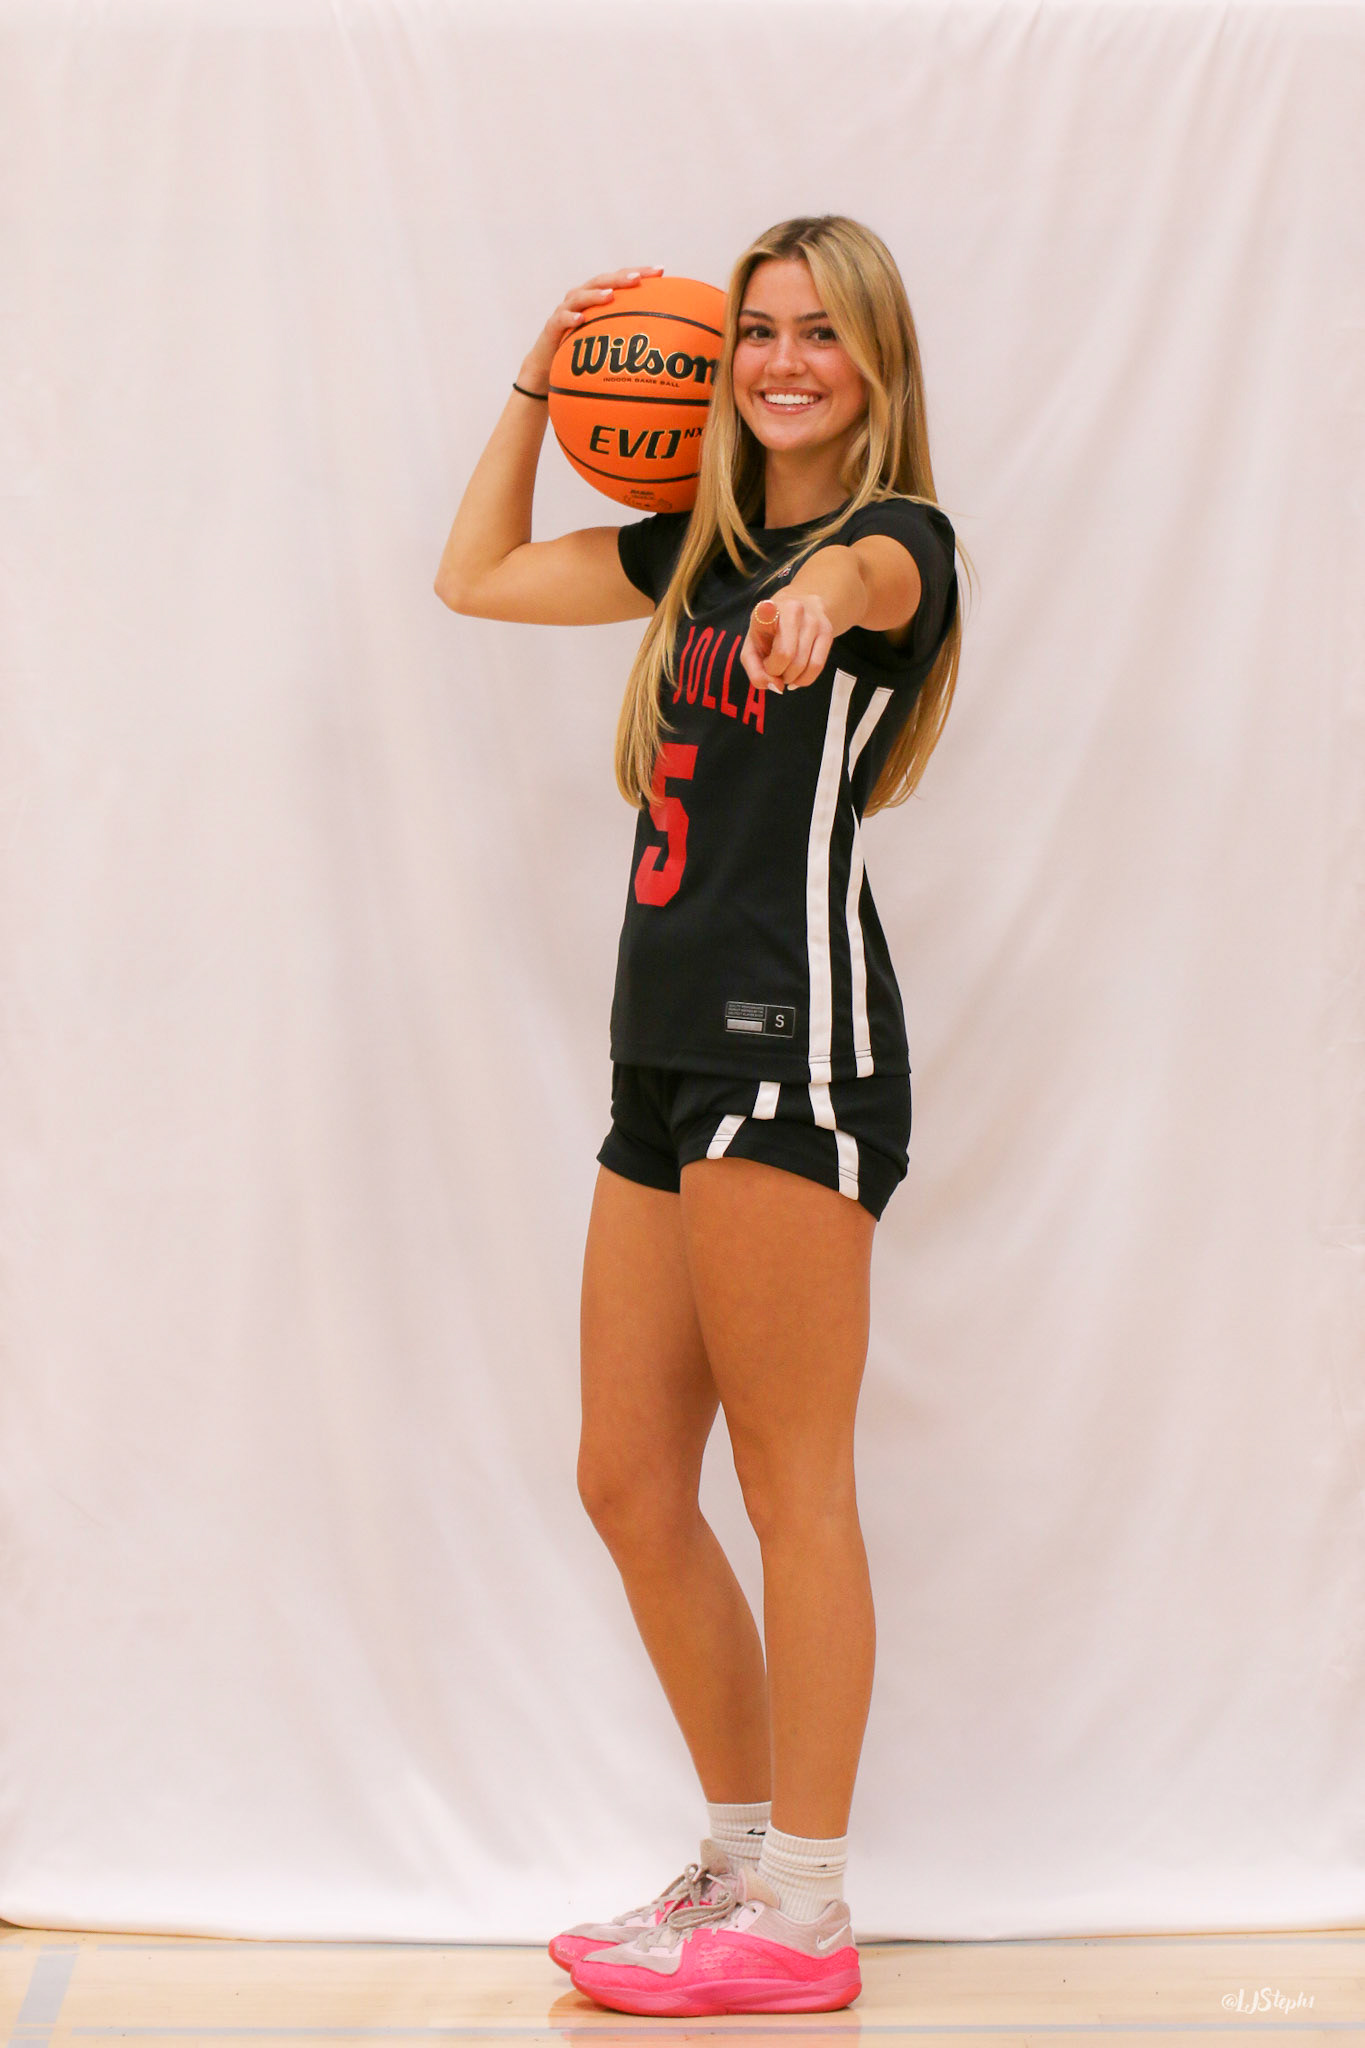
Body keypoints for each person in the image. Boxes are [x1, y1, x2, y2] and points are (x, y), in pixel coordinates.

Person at [434, 214, 964, 2019]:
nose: (780, 361)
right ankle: (738, 1864)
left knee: (789, 1480)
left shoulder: (894, 543)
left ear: (875, 367)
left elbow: (866, 584)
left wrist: (820, 602)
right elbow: (474, 577)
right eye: (756, 330)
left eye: (820, 333)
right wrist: (539, 380)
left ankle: (804, 1911)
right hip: (659, 1057)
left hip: (790, 1046)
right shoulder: (699, 554)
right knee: (626, 1479)